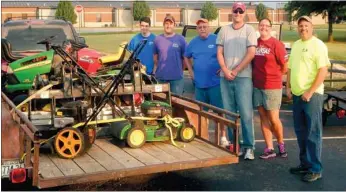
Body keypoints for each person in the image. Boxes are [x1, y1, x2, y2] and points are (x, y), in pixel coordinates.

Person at [287, 16, 330, 182]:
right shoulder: (297, 45)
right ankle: (304, 164)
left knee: (313, 133)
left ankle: (315, 168)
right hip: (297, 95)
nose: (303, 28)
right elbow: (290, 67)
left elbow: (323, 71)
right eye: (300, 26)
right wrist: (288, 87)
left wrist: (310, 92)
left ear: (312, 27)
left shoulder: (318, 45)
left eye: (306, 25)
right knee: (301, 132)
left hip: (312, 96)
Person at [216, 2, 257, 160]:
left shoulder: (249, 30)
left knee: (246, 113)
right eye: (235, 10)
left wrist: (236, 70)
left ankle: (249, 147)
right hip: (225, 77)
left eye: (241, 11)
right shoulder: (224, 30)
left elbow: (251, 52)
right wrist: (226, 70)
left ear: (244, 13)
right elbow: (219, 52)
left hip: (243, 77)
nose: (238, 13)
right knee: (230, 113)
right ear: (231, 12)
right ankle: (236, 145)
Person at [184, 18, 227, 140]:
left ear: (209, 27)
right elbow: (186, 57)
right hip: (199, 85)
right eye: (200, 27)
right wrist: (191, 71)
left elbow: (226, 53)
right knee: (201, 113)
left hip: (215, 83)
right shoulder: (193, 42)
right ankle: (204, 137)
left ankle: (222, 137)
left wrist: (224, 67)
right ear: (197, 29)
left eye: (204, 26)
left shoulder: (216, 39)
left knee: (219, 111)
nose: (202, 29)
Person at [252, 18, 288, 159]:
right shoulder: (255, 43)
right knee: (263, 117)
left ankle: (280, 144)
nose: (264, 27)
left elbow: (285, 66)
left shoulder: (276, 44)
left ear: (271, 28)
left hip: (272, 87)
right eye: (261, 25)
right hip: (257, 86)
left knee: (273, 118)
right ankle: (269, 148)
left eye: (267, 25)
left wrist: (275, 76)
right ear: (258, 27)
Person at [153, 15, 188, 95]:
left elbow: (185, 58)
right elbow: (155, 59)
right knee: (161, 104)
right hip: (161, 78)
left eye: (170, 23)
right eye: (166, 23)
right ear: (163, 25)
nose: (168, 26)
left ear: (174, 25)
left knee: (177, 103)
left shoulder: (181, 39)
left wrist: (180, 70)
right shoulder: (157, 39)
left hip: (176, 79)